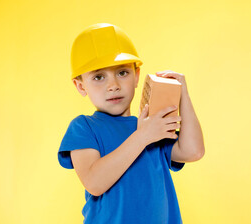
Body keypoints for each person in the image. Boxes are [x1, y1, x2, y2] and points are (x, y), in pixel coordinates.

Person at [57, 23, 205, 224]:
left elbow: (193, 151)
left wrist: (183, 95)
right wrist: (143, 136)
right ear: (81, 86)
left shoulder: (152, 125)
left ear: (136, 76)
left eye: (122, 73)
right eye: (99, 77)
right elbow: (94, 182)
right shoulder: (84, 127)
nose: (113, 86)